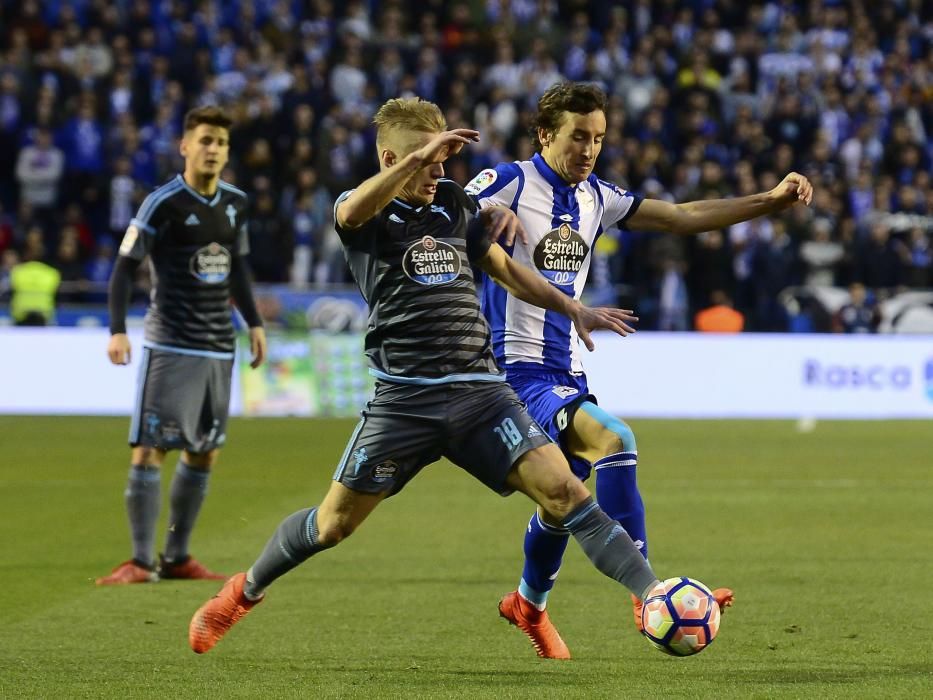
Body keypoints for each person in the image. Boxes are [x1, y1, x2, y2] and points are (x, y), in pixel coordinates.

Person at [188, 97, 675, 656]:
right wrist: (411, 161)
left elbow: (506, 271)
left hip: (480, 394)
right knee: (332, 526)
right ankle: (241, 594)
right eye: (428, 161)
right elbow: (349, 215)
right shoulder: (360, 209)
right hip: (405, 402)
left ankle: (652, 594)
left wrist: (573, 309)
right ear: (393, 157)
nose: (440, 174)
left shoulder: (450, 202)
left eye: (444, 162)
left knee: (566, 491)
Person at [467, 81, 813, 658]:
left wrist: (768, 202)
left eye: (598, 139)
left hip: (567, 371)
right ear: (546, 134)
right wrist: (485, 213)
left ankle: (528, 604)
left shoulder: (596, 198)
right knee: (617, 440)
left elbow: (680, 216)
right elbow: (450, 204)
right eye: (579, 137)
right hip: (513, 371)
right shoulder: (507, 180)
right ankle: (648, 591)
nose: (590, 150)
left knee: (562, 499)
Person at [97, 106, 268, 585]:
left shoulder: (236, 203)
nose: (213, 149)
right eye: (205, 141)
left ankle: (175, 557)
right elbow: (124, 267)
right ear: (185, 146)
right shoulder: (162, 203)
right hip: (170, 344)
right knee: (150, 448)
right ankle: (138, 560)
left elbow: (238, 268)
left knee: (204, 453)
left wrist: (253, 322)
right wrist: (117, 329)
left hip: (219, 347)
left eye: (220, 142)